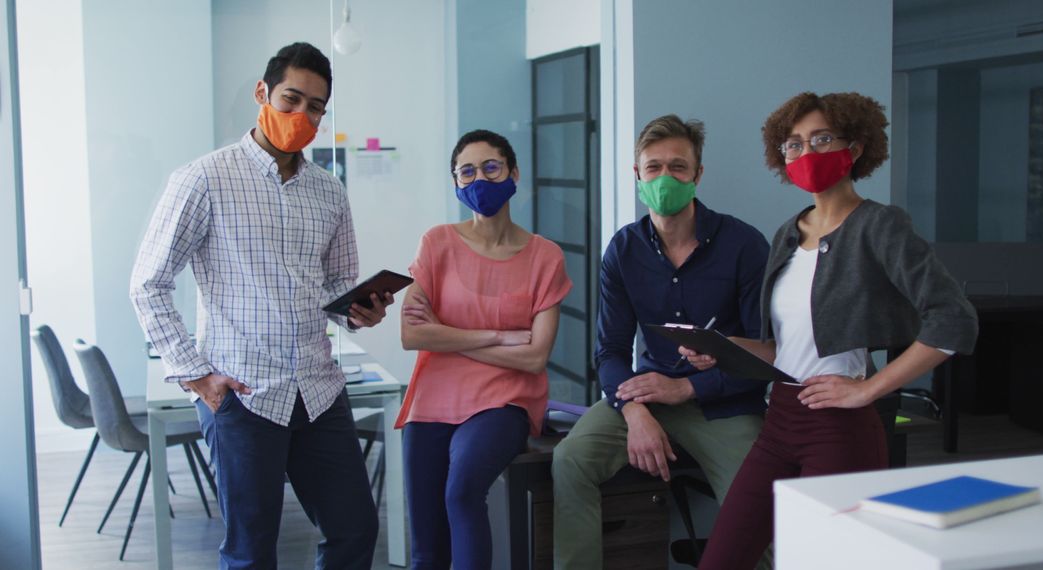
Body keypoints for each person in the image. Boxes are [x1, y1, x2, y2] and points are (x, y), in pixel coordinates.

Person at [131, 42, 390, 570]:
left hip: (319, 391)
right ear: (262, 93)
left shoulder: (329, 191)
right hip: (244, 396)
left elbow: (335, 283)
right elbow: (148, 283)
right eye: (291, 99)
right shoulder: (203, 178)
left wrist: (358, 309)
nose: (302, 115)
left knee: (355, 531)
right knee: (251, 552)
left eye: (315, 107)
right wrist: (196, 375)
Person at [694, 92, 979, 569]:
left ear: (857, 146)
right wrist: (721, 350)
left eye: (821, 139)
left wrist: (869, 388)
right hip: (779, 420)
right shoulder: (788, 231)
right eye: (793, 144)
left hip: (840, 430)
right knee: (721, 559)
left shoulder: (880, 226)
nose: (806, 154)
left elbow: (954, 319)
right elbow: (781, 348)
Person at [551, 114, 770, 569]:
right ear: (637, 175)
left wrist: (688, 388)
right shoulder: (623, 250)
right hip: (646, 395)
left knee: (757, 508)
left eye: (678, 167)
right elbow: (609, 352)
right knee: (570, 460)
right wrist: (634, 412)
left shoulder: (744, 244)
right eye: (653, 168)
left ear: (698, 175)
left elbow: (764, 355)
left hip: (724, 404)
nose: (664, 178)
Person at [396, 129, 572, 569]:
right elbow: (412, 335)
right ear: (456, 184)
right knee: (426, 549)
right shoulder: (436, 243)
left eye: (491, 167)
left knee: (461, 491)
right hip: (432, 399)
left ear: (513, 173)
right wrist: (496, 335)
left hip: (505, 400)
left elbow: (534, 357)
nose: (480, 179)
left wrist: (447, 333)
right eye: (467, 172)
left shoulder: (545, 256)